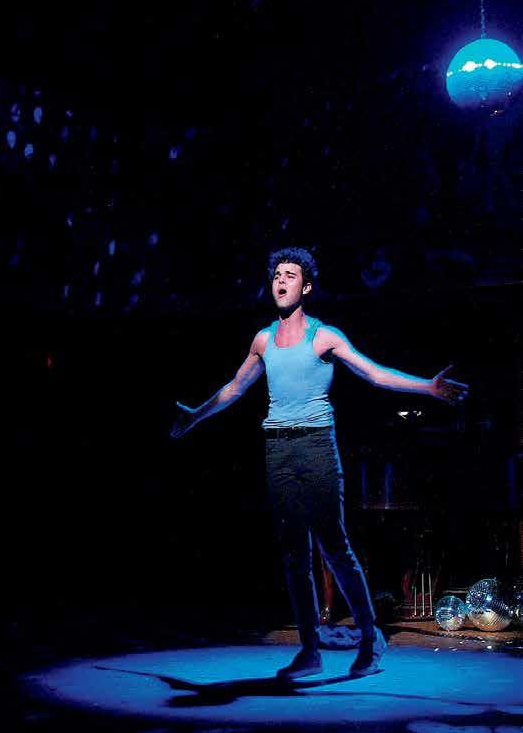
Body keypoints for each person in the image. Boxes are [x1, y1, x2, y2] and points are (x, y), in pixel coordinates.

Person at [170, 246, 468, 678]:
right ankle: (310, 650)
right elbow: (235, 388)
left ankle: (370, 640)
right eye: (277, 274)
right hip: (278, 449)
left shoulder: (324, 336)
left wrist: (428, 387)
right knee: (295, 553)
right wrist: (195, 416)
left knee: (333, 546)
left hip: (315, 446)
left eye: (290, 275)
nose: (281, 280)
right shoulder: (263, 340)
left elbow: (373, 372)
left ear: (306, 287)